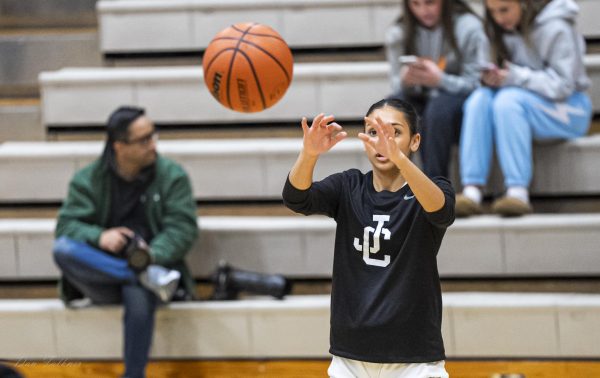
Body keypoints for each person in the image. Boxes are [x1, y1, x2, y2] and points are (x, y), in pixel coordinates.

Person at [282, 98, 455, 378]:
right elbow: (296, 198)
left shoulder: (432, 189)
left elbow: (442, 211)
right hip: (350, 357)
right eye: (374, 132)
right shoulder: (349, 186)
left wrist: (398, 158)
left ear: (415, 141)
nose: (382, 141)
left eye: (394, 132)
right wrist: (309, 154)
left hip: (414, 359)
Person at [53, 106, 198, 378]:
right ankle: (142, 275)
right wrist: (100, 237)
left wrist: (151, 254)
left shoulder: (171, 175)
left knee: (138, 292)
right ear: (119, 146)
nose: (153, 144)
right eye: (144, 140)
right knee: (63, 249)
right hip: (103, 273)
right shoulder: (89, 179)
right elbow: (66, 226)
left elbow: (183, 229)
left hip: (153, 261)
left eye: (153, 135)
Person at [456, 0, 592, 217]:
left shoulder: (556, 26)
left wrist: (515, 77)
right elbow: (484, 72)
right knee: (478, 99)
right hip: (518, 101)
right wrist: (489, 78)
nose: (499, 18)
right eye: (493, 12)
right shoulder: (493, 28)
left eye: (505, 10)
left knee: (508, 101)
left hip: (570, 109)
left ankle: (517, 191)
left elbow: (564, 85)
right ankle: (472, 190)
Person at [385, 0, 488, 178]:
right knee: (391, 109)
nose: (424, 10)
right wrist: (405, 80)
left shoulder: (468, 27)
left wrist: (440, 80)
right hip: (420, 95)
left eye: (430, 3)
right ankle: (391, 188)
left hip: (457, 100)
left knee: (437, 110)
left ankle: (436, 188)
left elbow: (477, 84)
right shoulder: (399, 32)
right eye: (415, 4)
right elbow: (395, 85)